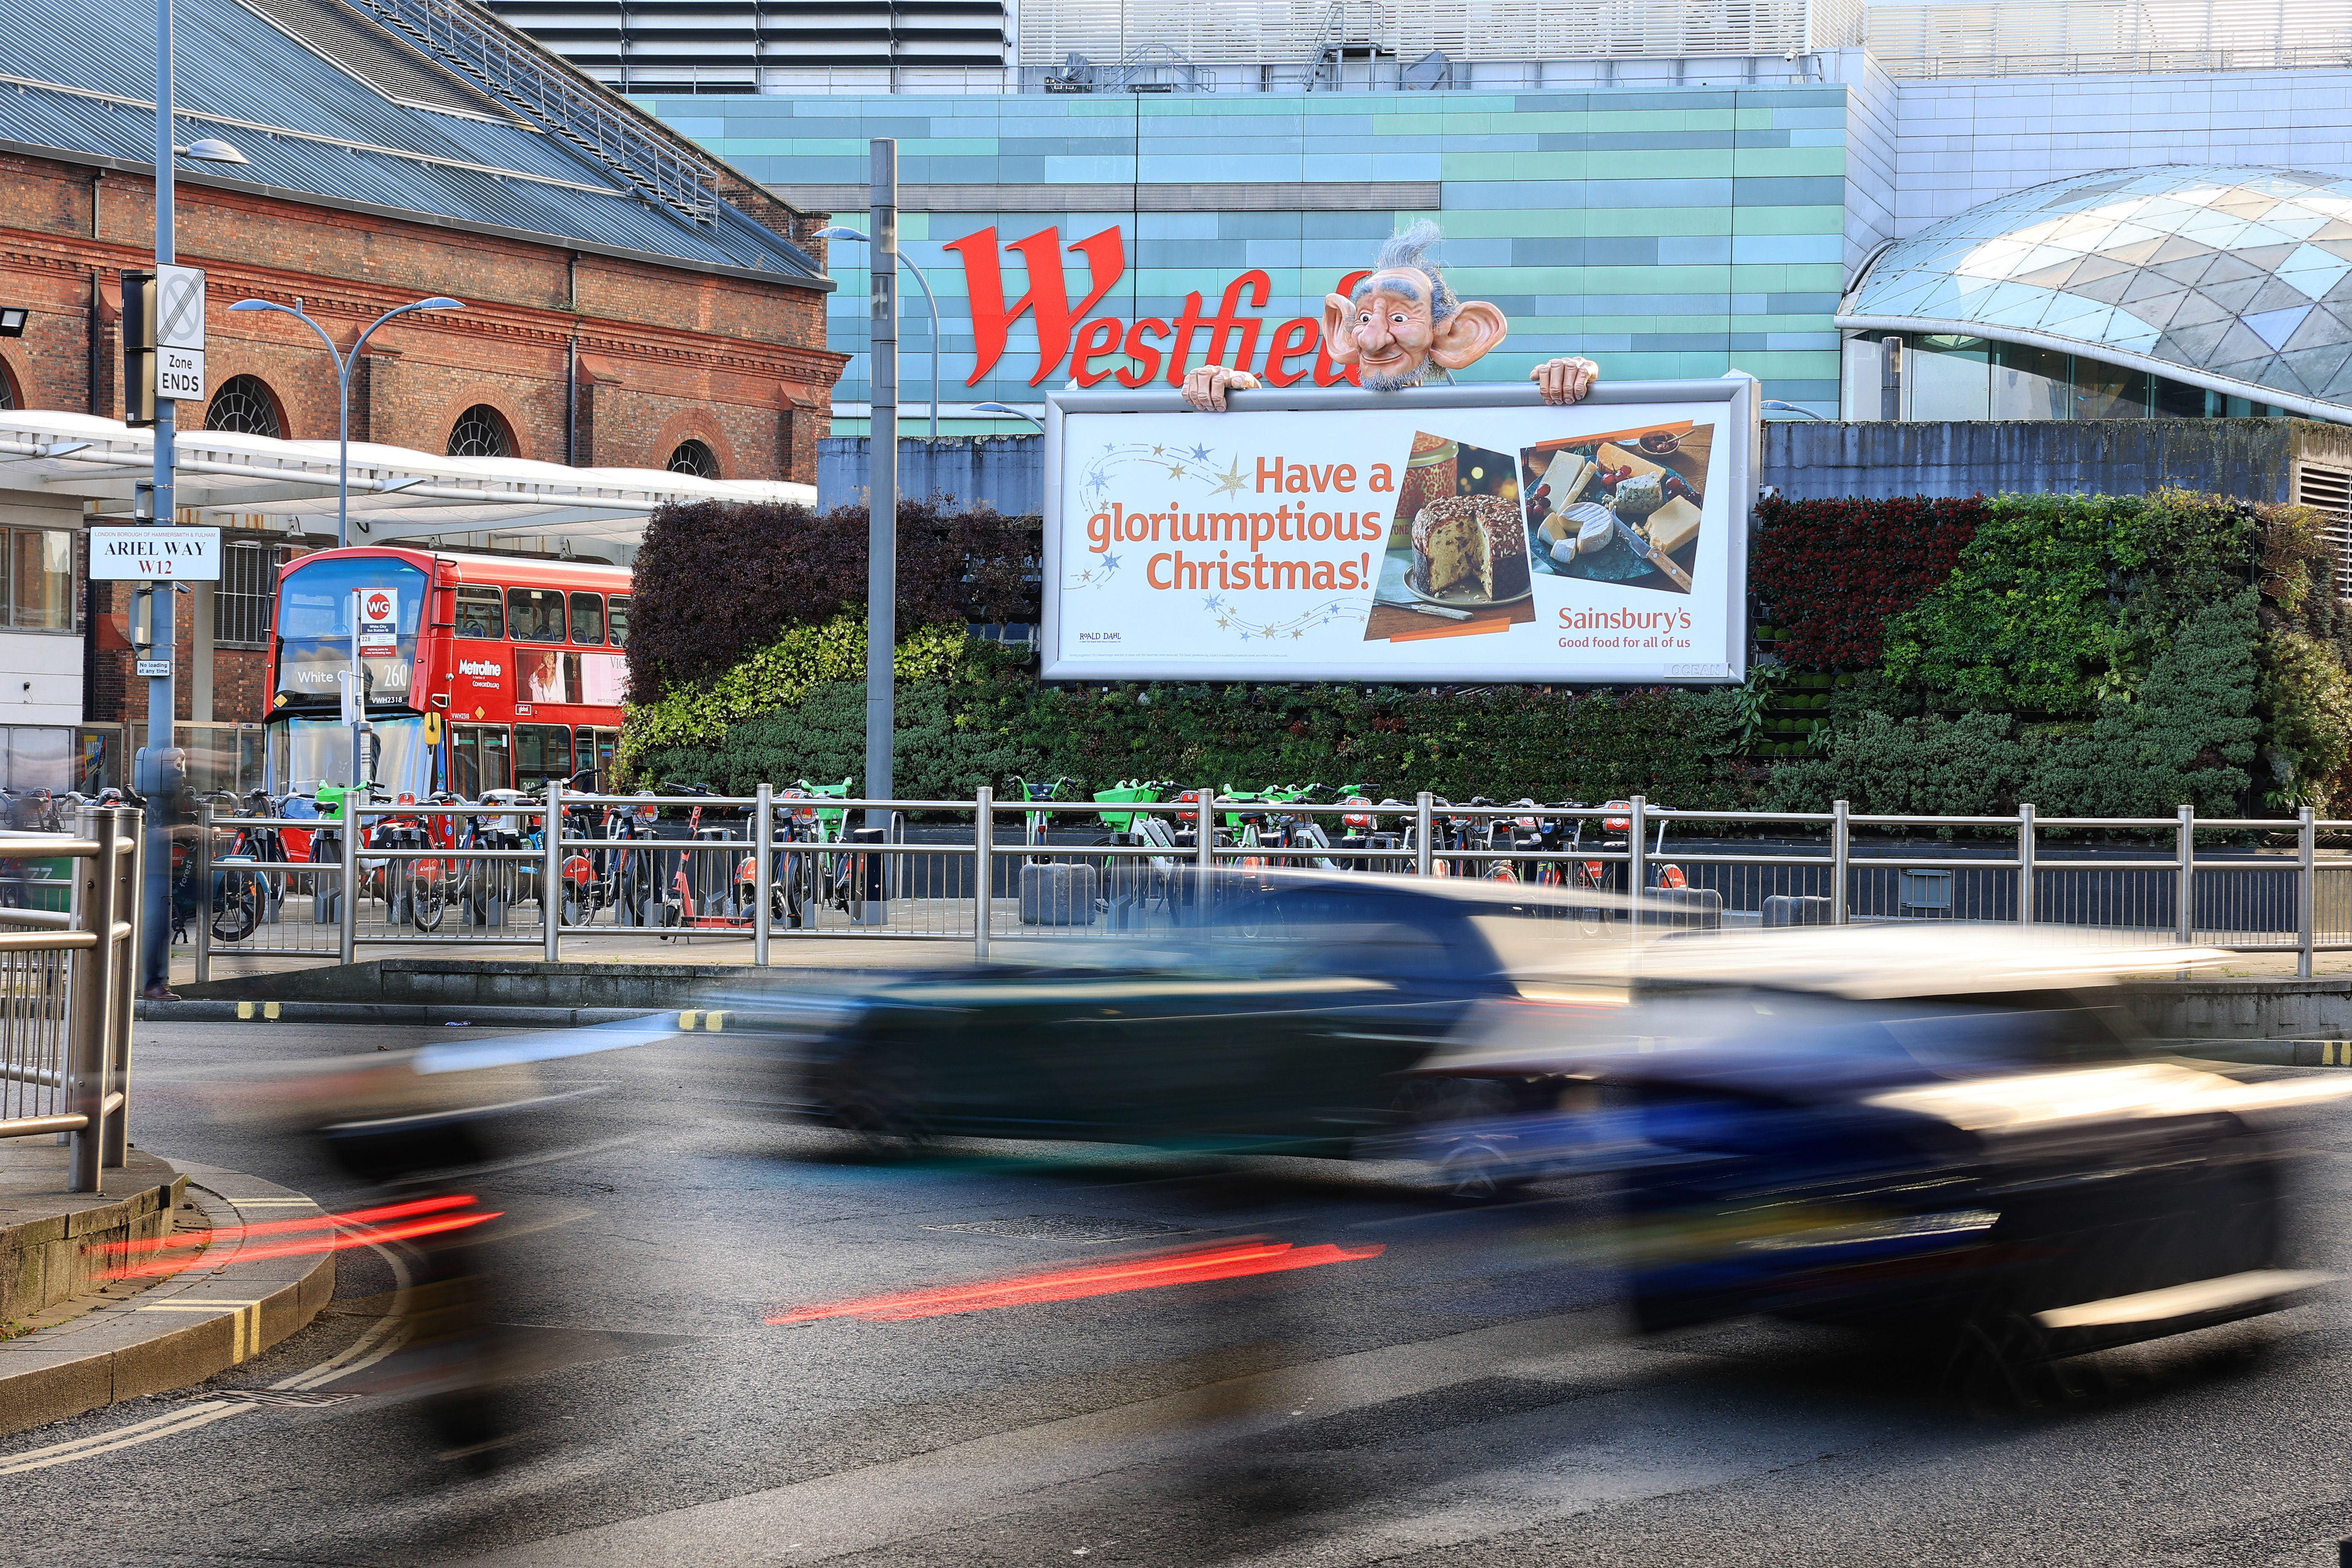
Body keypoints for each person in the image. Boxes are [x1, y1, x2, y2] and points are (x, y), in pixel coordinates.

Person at [1181, 220, 1600, 411]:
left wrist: (1568, 381)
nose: (1373, 339)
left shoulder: (1476, 424)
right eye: (1364, 319)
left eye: (1399, 319)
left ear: (1459, 335)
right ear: (1341, 331)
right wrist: (1236, 394)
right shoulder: (1312, 418)